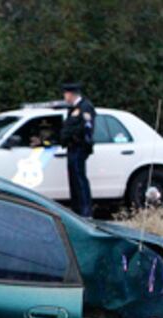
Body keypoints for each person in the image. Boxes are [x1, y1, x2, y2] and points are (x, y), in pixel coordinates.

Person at [59, 82, 96, 217]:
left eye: (65, 93)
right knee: (74, 180)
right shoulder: (73, 108)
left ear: (71, 94)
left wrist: (76, 139)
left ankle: (85, 211)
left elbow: (87, 128)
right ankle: (77, 211)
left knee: (80, 180)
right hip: (72, 147)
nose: (64, 96)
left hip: (79, 147)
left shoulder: (85, 107)